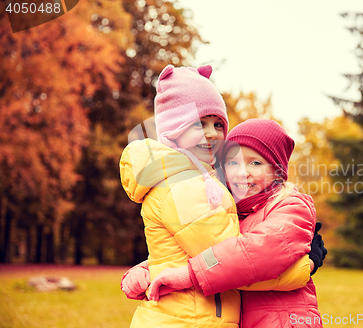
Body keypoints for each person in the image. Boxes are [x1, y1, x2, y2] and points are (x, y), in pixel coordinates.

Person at [119, 66, 317, 327]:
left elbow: (234, 255)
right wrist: (306, 266)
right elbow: (220, 254)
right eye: (232, 162)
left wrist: (170, 270)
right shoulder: (189, 187)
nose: (242, 173)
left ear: (278, 170)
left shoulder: (287, 203)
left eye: (256, 163)